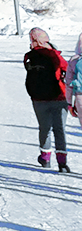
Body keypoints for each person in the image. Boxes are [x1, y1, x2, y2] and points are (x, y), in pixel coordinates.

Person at [23, 28, 70, 171]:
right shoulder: (55, 55)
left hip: (38, 99)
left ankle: (45, 158)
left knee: (44, 128)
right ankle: (62, 162)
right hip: (59, 97)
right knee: (59, 129)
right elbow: (67, 69)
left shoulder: (29, 56)